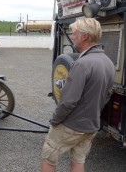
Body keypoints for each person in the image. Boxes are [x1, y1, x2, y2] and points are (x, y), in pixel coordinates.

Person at [41, 18, 115, 172]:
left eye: (75, 33)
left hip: (71, 125)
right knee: (78, 161)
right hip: (91, 126)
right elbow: (107, 95)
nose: (73, 37)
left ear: (85, 36)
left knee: (49, 158)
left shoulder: (82, 64)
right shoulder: (108, 62)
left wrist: (55, 120)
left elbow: (68, 101)